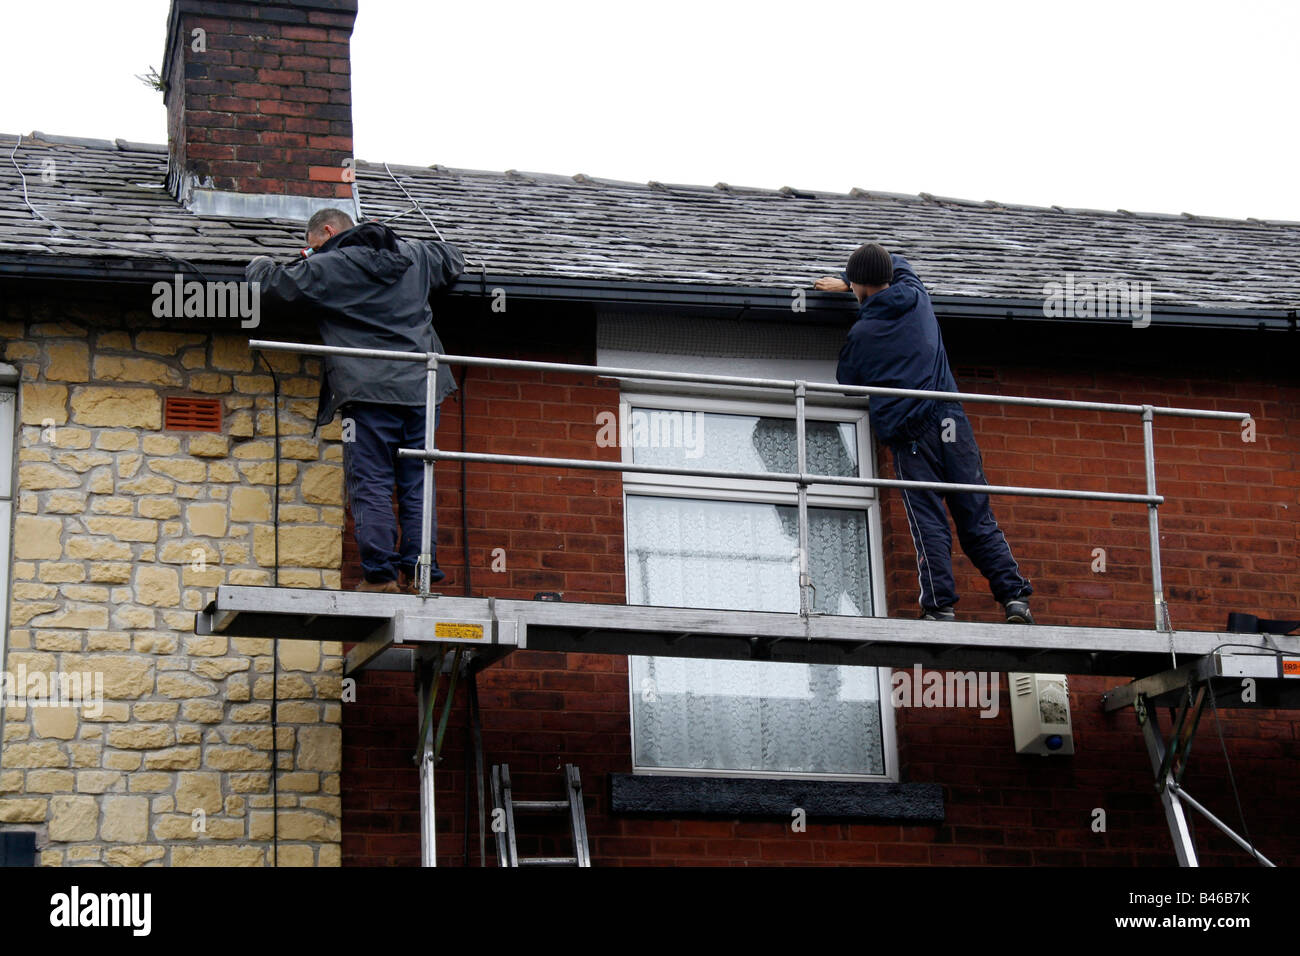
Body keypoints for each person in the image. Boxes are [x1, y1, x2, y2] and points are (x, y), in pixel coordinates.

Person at [247, 208, 464, 594]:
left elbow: (269, 285)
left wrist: (261, 261)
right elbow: (452, 258)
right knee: (419, 482)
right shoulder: (414, 254)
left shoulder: (329, 267)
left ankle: (380, 577)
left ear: (328, 231)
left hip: (368, 394)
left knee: (372, 481)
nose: (311, 252)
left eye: (312, 245)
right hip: (422, 390)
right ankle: (419, 573)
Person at [816, 243, 1034, 623]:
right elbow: (898, 264)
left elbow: (847, 381)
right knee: (976, 517)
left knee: (929, 521)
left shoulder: (863, 333)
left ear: (861, 287)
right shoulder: (917, 298)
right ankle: (1015, 598)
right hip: (952, 425)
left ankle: (940, 607)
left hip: (913, 437)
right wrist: (853, 278)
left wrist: (851, 290)